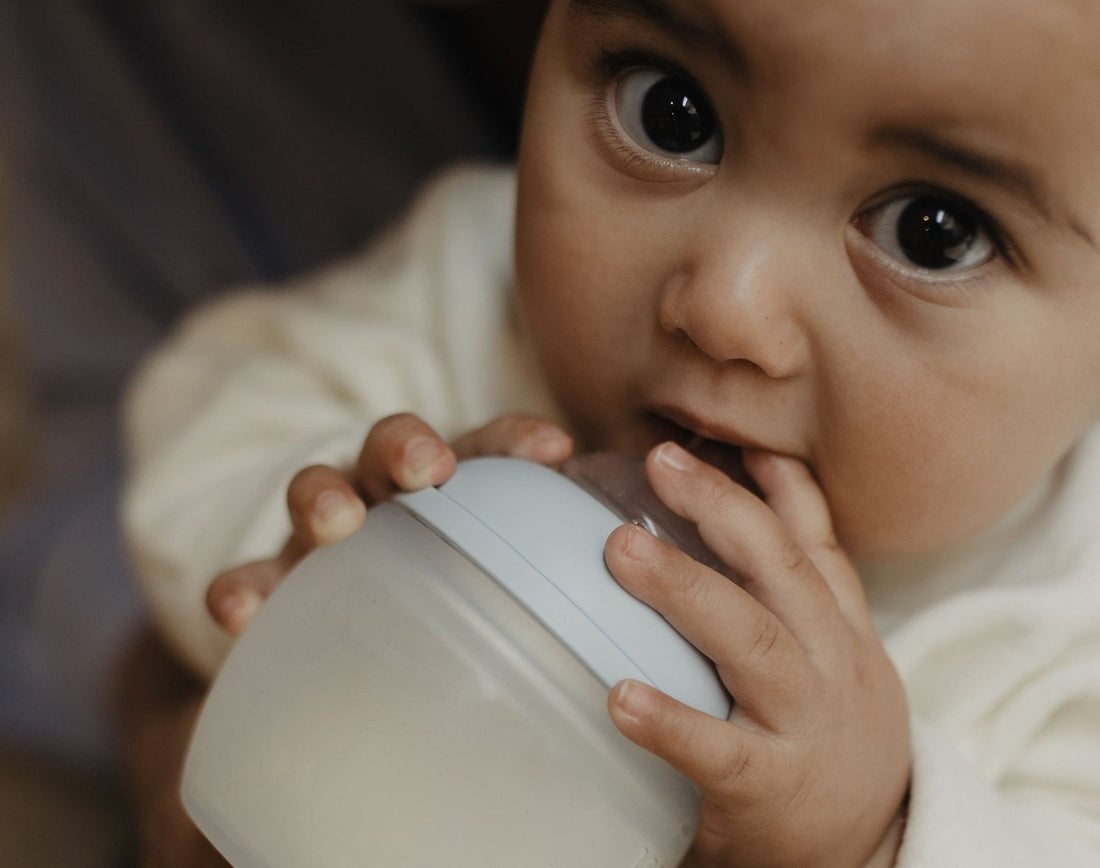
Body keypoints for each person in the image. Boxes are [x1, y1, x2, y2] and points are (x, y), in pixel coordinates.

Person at [122, 0, 1100, 864]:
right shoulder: (470, 293)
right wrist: (339, 538)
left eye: (932, 230)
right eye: (671, 112)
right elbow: (202, 411)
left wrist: (869, 834)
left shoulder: (1069, 625)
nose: (725, 306)